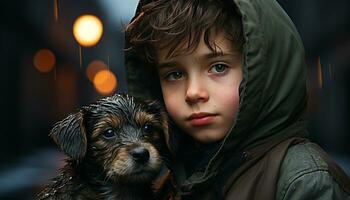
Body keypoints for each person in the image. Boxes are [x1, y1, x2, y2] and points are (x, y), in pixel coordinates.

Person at [124, 0, 350, 199]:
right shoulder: (170, 179)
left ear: (264, 69)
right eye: (174, 74)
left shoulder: (303, 179)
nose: (193, 92)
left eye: (218, 67)